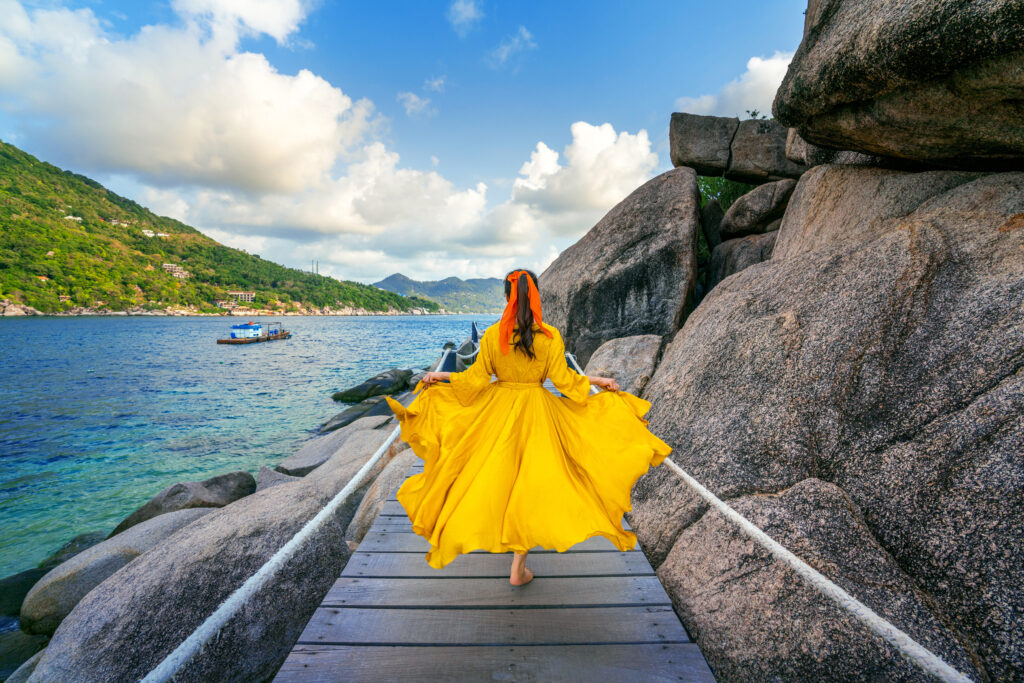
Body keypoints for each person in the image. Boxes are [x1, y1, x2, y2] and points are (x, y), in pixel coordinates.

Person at [384, 268, 671, 586]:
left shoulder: (494, 336)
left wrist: (441, 376)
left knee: (488, 478)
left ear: (507, 298)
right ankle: (518, 567)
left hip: (497, 412)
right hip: (537, 413)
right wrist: (599, 380)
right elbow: (564, 380)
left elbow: (475, 380)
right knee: (530, 487)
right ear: (536, 297)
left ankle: (483, 531)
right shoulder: (549, 337)